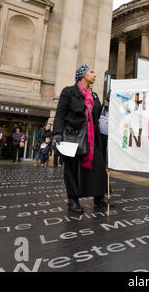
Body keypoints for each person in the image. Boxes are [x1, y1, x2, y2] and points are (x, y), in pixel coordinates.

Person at [52, 64, 111, 213]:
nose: (95, 75)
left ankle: (99, 197)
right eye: (91, 72)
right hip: (72, 136)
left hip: (92, 138)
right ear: (82, 74)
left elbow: (98, 115)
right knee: (71, 168)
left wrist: (108, 103)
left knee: (98, 166)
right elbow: (59, 114)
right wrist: (57, 133)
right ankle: (73, 200)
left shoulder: (95, 95)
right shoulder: (69, 92)